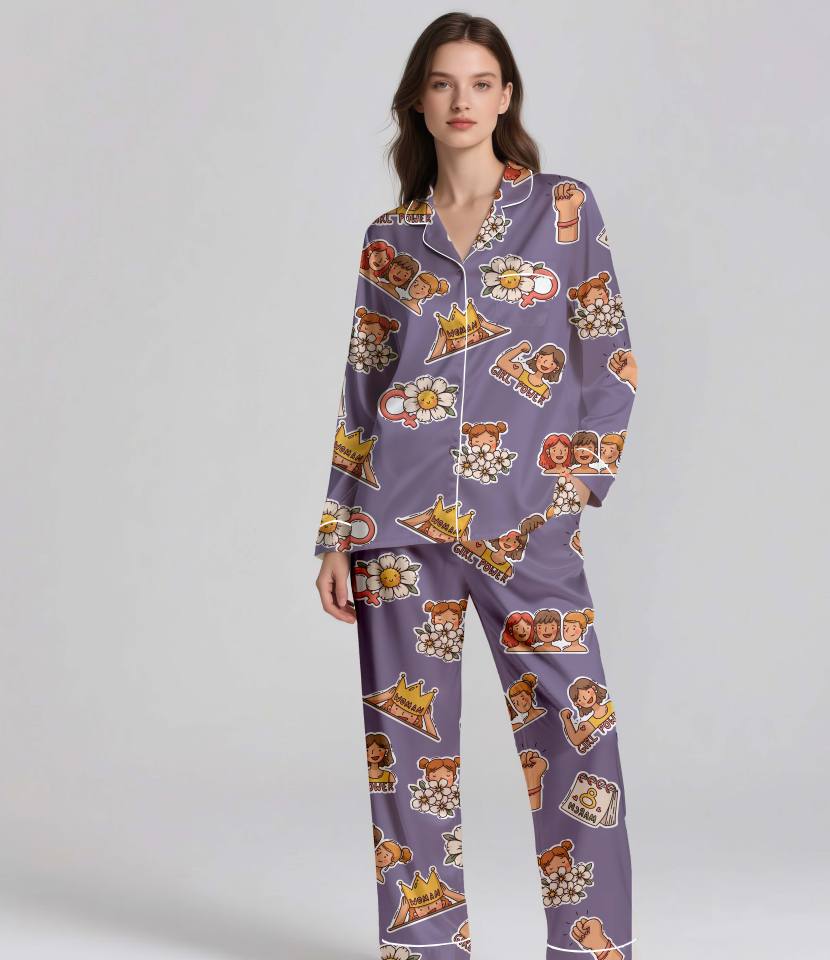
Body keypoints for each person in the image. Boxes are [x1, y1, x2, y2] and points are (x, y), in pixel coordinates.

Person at [314, 13, 639, 960]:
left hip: (524, 522)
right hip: (395, 527)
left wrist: (571, 491)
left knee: (577, 733)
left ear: (505, 98)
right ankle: (426, 950)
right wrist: (336, 532)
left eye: (481, 82)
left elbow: (608, 353)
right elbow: (363, 389)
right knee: (410, 764)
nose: (462, 100)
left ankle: (591, 948)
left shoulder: (562, 209)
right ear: (419, 101)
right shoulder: (391, 239)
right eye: (443, 83)